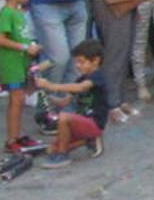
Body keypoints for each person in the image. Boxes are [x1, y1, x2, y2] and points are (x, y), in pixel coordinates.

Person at [35, 39, 110, 170]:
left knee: (64, 117)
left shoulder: (97, 77)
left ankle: (63, 155)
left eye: (81, 62)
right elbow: (65, 101)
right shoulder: (81, 78)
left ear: (95, 60)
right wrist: (48, 98)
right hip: (81, 123)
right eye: (77, 62)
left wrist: (51, 85)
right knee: (51, 149)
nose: (77, 65)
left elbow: (81, 88)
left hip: (94, 123)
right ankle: (88, 140)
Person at [0, 0, 42, 152]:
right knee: (16, 100)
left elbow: (22, 36)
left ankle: (18, 135)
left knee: (20, 100)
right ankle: (12, 139)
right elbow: (0, 39)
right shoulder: (6, 13)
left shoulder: (19, 12)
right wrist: (24, 48)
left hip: (21, 62)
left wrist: (31, 47)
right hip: (11, 63)